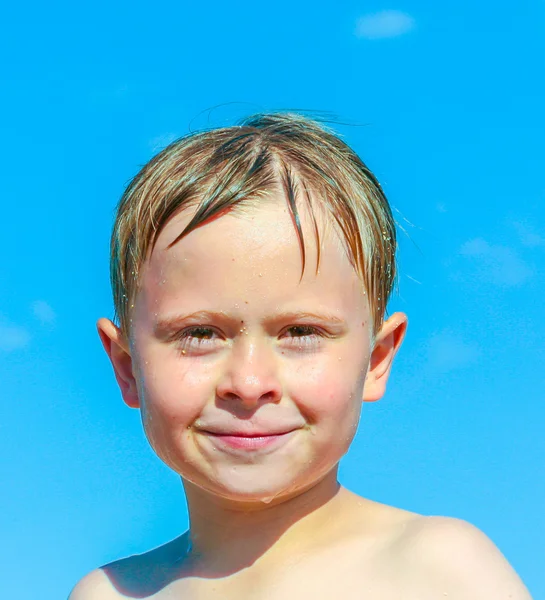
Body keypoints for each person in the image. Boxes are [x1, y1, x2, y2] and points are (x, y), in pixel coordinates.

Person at [70, 113, 532, 599]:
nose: (248, 384)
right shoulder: (110, 594)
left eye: (301, 332)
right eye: (201, 334)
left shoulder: (437, 568)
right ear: (127, 368)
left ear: (376, 360)